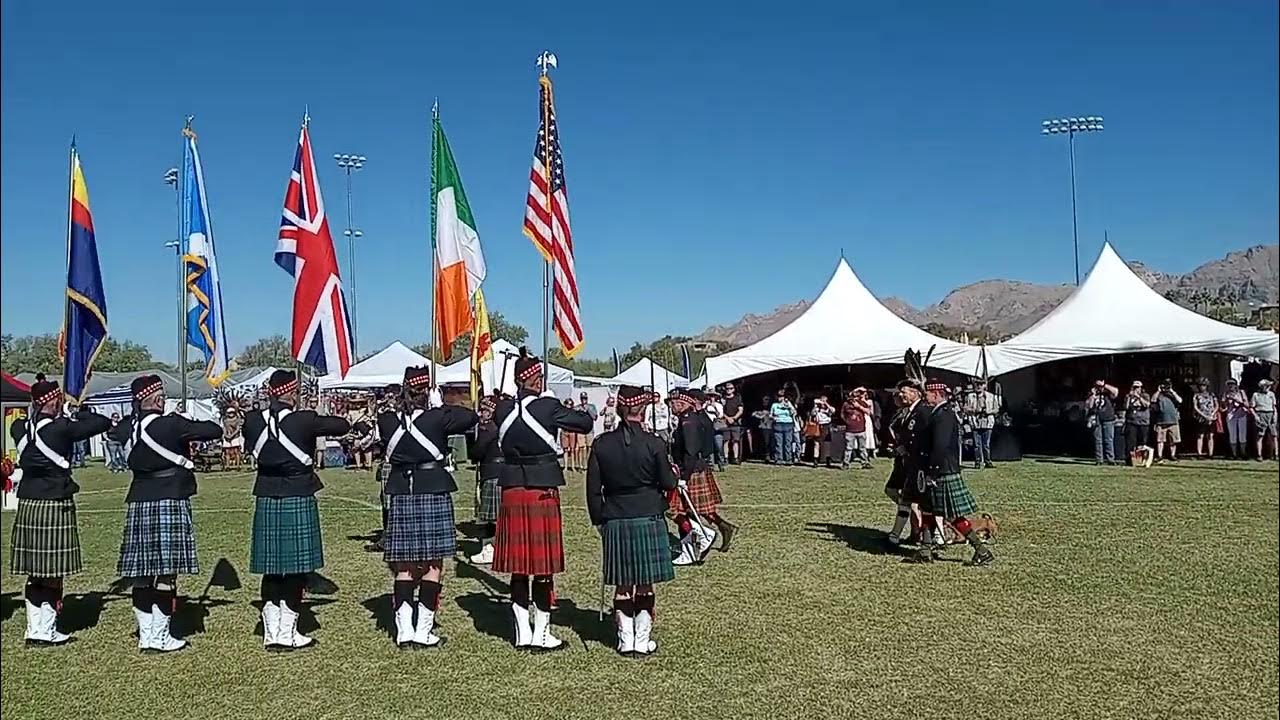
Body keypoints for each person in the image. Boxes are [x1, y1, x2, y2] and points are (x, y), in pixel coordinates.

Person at [109, 375, 223, 653]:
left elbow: (111, 432)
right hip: (169, 497)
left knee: (141, 573)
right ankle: (160, 636)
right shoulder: (171, 424)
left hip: (139, 499)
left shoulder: (127, 427)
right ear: (158, 399)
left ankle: (146, 635)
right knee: (166, 573)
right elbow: (214, 430)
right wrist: (185, 419)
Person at [492, 349, 594, 652]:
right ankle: (542, 634)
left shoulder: (502, 409)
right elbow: (585, 423)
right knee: (542, 566)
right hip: (541, 488)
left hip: (512, 489)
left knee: (519, 567)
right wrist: (552, 402)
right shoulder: (548, 406)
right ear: (536, 379)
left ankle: (522, 633)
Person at [243, 370, 350, 652]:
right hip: (298, 493)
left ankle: (271, 632)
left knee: (271, 569)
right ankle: (287, 632)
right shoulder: (304, 420)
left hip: (267, 494)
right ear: (291, 393)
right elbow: (342, 426)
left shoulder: (252, 421)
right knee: (294, 570)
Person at [377, 366, 478, 649]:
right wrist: (440, 406)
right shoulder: (438, 417)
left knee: (404, 567)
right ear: (427, 392)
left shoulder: (387, 420)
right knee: (433, 565)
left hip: (402, 492)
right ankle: (423, 631)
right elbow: (470, 417)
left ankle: (404, 632)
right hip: (432, 489)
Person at [10, 378, 111, 646]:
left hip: (29, 502)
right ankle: (48, 630)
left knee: (35, 572)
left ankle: (34, 628)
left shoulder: (18, 427)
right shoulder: (61, 428)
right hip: (55, 501)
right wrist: (74, 412)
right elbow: (101, 423)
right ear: (54, 401)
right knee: (53, 572)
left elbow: (27, 425)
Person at [586, 385, 679, 657]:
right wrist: (673, 472)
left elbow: (593, 489)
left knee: (623, 584)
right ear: (643, 409)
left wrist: (598, 520)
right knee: (645, 583)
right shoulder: (654, 442)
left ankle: (625, 640)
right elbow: (668, 482)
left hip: (615, 518)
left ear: (618, 408)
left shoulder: (601, 443)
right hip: (648, 515)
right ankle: (642, 639)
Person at [908, 381, 994, 566]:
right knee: (929, 509)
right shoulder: (938, 412)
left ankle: (981, 550)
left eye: (927, 393)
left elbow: (940, 446)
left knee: (952, 516)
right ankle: (925, 550)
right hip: (939, 469)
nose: (925, 396)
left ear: (937, 393)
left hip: (942, 470)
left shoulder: (944, 415)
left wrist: (933, 471)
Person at [669, 388, 737, 566]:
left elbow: (692, 450)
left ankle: (702, 538)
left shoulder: (690, 420)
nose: (671, 406)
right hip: (694, 467)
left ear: (683, 403)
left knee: (679, 510)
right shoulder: (692, 418)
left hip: (691, 469)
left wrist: (684, 476)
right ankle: (698, 541)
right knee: (691, 510)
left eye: (673, 402)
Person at [884, 379, 934, 550]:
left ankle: (933, 538)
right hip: (908, 462)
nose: (900, 395)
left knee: (922, 504)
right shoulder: (908, 411)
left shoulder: (922, 411)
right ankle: (896, 537)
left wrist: (906, 449)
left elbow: (923, 438)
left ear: (915, 393)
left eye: (903, 392)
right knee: (906, 501)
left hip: (918, 464)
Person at [468, 393, 504, 565]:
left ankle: (489, 549)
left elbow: (476, 452)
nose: (481, 413)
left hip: (491, 472)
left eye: (484, 410)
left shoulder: (489, 428)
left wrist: (474, 440)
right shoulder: (503, 426)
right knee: (498, 515)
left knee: (488, 516)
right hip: (501, 472)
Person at [963, 380, 999, 469]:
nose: (979, 386)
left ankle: (987, 461)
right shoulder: (970, 396)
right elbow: (965, 408)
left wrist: (988, 411)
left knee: (986, 444)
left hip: (987, 422)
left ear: (984, 386)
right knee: (977, 444)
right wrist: (974, 410)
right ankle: (977, 462)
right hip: (976, 422)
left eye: (981, 384)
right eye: (977, 384)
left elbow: (997, 409)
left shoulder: (991, 396)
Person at [1086, 381, 1119, 465]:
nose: (1099, 388)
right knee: (1098, 440)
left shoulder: (1108, 393)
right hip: (1097, 418)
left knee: (1109, 439)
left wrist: (1104, 386)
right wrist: (1093, 396)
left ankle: (1110, 459)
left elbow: (1116, 392)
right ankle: (1099, 460)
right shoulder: (1092, 394)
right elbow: (1089, 406)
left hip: (1108, 418)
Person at [841, 389, 873, 470]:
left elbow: (868, 411)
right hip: (850, 430)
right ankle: (846, 463)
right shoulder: (845, 404)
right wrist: (847, 422)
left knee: (862, 448)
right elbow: (842, 415)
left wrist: (859, 406)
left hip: (861, 429)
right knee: (848, 448)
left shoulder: (861, 403)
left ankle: (865, 462)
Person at [1152, 380, 1183, 463]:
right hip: (1161, 421)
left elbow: (1180, 400)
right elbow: (1153, 400)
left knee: (1173, 440)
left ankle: (1172, 455)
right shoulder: (1159, 395)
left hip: (1173, 420)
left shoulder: (1172, 395)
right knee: (1160, 440)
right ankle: (1160, 456)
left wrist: (1172, 391)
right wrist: (1158, 391)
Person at [1123, 381, 1152, 466]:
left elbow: (1147, 405)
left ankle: (1142, 460)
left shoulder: (1145, 395)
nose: (1136, 389)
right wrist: (1129, 397)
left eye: (1138, 387)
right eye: (1134, 387)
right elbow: (1125, 407)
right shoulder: (1129, 396)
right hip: (1131, 421)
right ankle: (1130, 460)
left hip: (1143, 422)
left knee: (1142, 443)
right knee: (1130, 442)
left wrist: (1138, 397)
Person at [1191, 380, 1220, 459]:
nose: (1202, 387)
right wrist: (1203, 415)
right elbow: (1195, 407)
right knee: (1200, 435)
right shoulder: (1196, 395)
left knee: (1210, 435)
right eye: (1201, 385)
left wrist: (1213, 413)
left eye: (1204, 385)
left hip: (1211, 417)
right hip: (1201, 417)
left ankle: (1210, 453)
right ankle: (1199, 453)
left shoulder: (1211, 394)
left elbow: (1217, 405)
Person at [1222, 380, 1250, 459]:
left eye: (1232, 384)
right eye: (1229, 384)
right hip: (1231, 415)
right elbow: (1223, 406)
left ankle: (1243, 453)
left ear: (1236, 385)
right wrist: (1225, 401)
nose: (1230, 386)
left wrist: (1236, 400)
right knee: (1232, 435)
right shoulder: (1226, 394)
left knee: (1242, 435)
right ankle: (1234, 454)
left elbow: (1247, 405)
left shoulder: (1241, 392)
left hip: (1241, 415)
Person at [1251, 379, 1277, 461]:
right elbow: (1251, 407)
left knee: (1274, 435)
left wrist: (1275, 415)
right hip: (1261, 413)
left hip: (1270, 413)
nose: (1269, 387)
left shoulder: (1271, 394)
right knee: (1260, 435)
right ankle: (1259, 454)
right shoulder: (1256, 395)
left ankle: (1275, 454)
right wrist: (1256, 416)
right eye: (1267, 386)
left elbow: (1274, 406)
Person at [769, 392, 797, 465]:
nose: (780, 398)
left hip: (788, 424)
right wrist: (773, 418)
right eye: (779, 396)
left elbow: (794, 413)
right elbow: (770, 415)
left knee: (788, 442)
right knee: (778, 443)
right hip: (778, 424)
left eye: (782, 397)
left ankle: (788, 459)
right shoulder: (774, 405)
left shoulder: (789, 404)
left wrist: (789, 406)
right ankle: (779, 459)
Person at [807, 395, 834, 467]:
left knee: (827, 444)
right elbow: (812, 413)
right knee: (816, 443)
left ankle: (828, 460)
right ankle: (815, 460)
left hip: (826, 425)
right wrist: (816, 406)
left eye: (824, 400)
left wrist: (826, 404)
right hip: (818, 426)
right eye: (821, 400)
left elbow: (832, 411)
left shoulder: (828, 408)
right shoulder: (817, 408)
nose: (822, 402)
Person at [703, 389, 727, 471]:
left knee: (719, 446)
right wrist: (706, 406)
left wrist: (714, 407)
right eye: (709, 396)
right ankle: (711, 465)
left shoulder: (719, 405)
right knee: (709, 447)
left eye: (713, 396)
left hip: (717, 427)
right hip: (707, 427)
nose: (711, 398)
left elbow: (720, 415)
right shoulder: (704, 405)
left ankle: (721, 463)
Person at [721, 383, 744, 464]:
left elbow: (740, 410)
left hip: (735, 423)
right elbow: (721, 411)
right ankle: (726, 458)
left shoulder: (737, 399)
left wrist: (734, 418)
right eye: (727, 388)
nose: (729, 390)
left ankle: (735, 457)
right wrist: (728, 418)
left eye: (731, 388)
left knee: (735, 441)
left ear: (733, 389)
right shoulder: (723, 399)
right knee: (726, 441)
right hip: (725, 423)